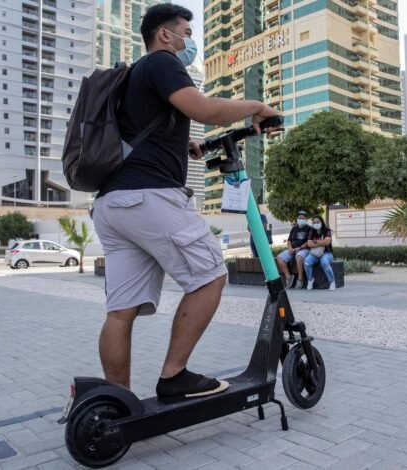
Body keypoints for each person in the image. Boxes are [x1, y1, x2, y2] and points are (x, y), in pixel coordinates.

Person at [90, 3, 282, 401]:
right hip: (148, 197)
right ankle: (174, 375)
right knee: (211, 275)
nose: (189, 41)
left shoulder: (131, 79)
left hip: (113, 204)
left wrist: (184, 143)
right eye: (186, 33)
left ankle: (116, 401)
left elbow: (147, 126)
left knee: (120, 310)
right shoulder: (162, 62)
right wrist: (256, 107)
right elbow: (206, 109)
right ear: (165, 34)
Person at [275, 211, 311, 288]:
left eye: (303, 218)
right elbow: (289, 240)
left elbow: (309, 242)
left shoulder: (309, 229)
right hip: (292, 249)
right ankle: (289, 277)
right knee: (279, 258)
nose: (301, 219)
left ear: (306, 219)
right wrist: (290, 248)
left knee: (299, 257)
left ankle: (300, 279)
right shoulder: (294, 228)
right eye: (299, 218)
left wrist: (300, 248)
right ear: (297, 219)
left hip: (304, 249)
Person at [303, 216, 336, 291]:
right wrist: (321, 243)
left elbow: (327, 242)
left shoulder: (327, 230)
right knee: (307, 262)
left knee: (324, 262)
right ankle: (310, 280)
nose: (316, 223)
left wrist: (316, 241)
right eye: (314, 222)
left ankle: (332, 282)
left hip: (326, 253)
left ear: (321, 222)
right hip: (314, 254)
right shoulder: (312, 231)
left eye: (318, 222)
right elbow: (309, 244)